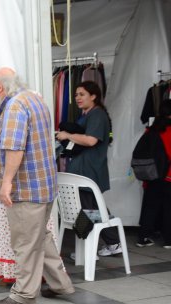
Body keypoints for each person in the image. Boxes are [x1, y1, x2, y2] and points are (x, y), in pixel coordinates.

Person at [0, 68, 74, 304]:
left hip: (26, 188)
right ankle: (60, 283)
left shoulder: (15, 106)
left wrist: (6, 183)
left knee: (26, 241)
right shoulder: (34, 99)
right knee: (40, 238)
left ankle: (24, 293)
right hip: (42, 185)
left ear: (0, 87)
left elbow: (15, 148)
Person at [56, 81, 122, 257]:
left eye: (82, 94)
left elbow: (91, 140)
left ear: (93, 96)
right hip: (85, 170)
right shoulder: (88, 115)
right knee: (94, 208)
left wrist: (67, 135)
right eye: (76, 94)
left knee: (88, 209)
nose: (78, 98)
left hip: (89, 170)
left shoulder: (97, 115)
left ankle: (89, 249)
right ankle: (111, 242)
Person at [136, 99, 171, 248]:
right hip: (168, 175)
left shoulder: (151, 129)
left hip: (151, 175)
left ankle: (142, 238)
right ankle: (169, 241)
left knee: (150, 207)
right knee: (169, 208)